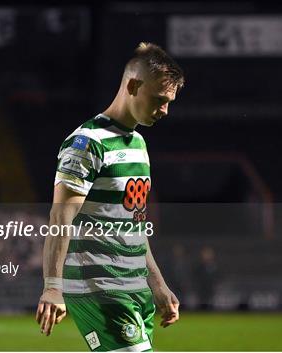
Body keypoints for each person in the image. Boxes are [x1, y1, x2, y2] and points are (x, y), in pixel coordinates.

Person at [35, 42, 185, 352]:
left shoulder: (139, 145)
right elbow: (59, 217)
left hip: (133, 287)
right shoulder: (86, 143)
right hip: (98, 286)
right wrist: (52, 286)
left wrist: (157, 284)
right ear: (132, 85)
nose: (165, 110)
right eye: (159, 100)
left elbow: (133, 225)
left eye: (169, 101)